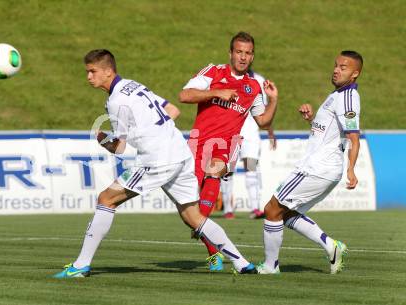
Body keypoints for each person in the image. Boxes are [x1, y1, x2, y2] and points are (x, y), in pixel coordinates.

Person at [53, 49, 258, 278]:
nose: (89, 77)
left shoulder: (116, 101)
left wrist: (103, 140)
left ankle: (81, 266)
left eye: (93, 72)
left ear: (108, 71)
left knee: (106, 199)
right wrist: (151, 130)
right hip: (180, 153)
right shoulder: (134, 85)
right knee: (193, 216)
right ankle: (242, 263)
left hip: (157, 159)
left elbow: (120, 147)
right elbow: (173, 110)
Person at [179, 32, 279, 271]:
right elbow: (184, 95)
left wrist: (273, 100)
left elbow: (263, 121)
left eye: (248, 53)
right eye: (239, 52)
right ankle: (213, 250)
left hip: (225, 145)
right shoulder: (213, 72)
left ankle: (201, 224)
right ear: (231, 53)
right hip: (197, 143)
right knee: (187, 209)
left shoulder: (253, 87)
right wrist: (216, 92)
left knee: (214, 173)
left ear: (252, 56)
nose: (243, 57)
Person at [257, 50, 363, 274]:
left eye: (343, 68)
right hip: (321, 167)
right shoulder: (338, 94)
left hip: (317, 168)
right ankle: (331, 246)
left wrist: (351, 170)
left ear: (355, 74)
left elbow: (353, 137)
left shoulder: (347, 98)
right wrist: (312, 120)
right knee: (286, 214)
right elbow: (330, 133)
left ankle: (270, 266)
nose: (336, 70)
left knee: (272, 209)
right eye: (336, 65)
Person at [220, 71, 277, 220]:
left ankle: (255, 208)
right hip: (231, 133)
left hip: (250, 135)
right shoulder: (227, 78)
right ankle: (228, 209)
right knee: (228, 170)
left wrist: (270, 131)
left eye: (248, 53)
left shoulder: (259, 80)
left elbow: (265, 109)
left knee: (251, 168)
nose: (244, 57)